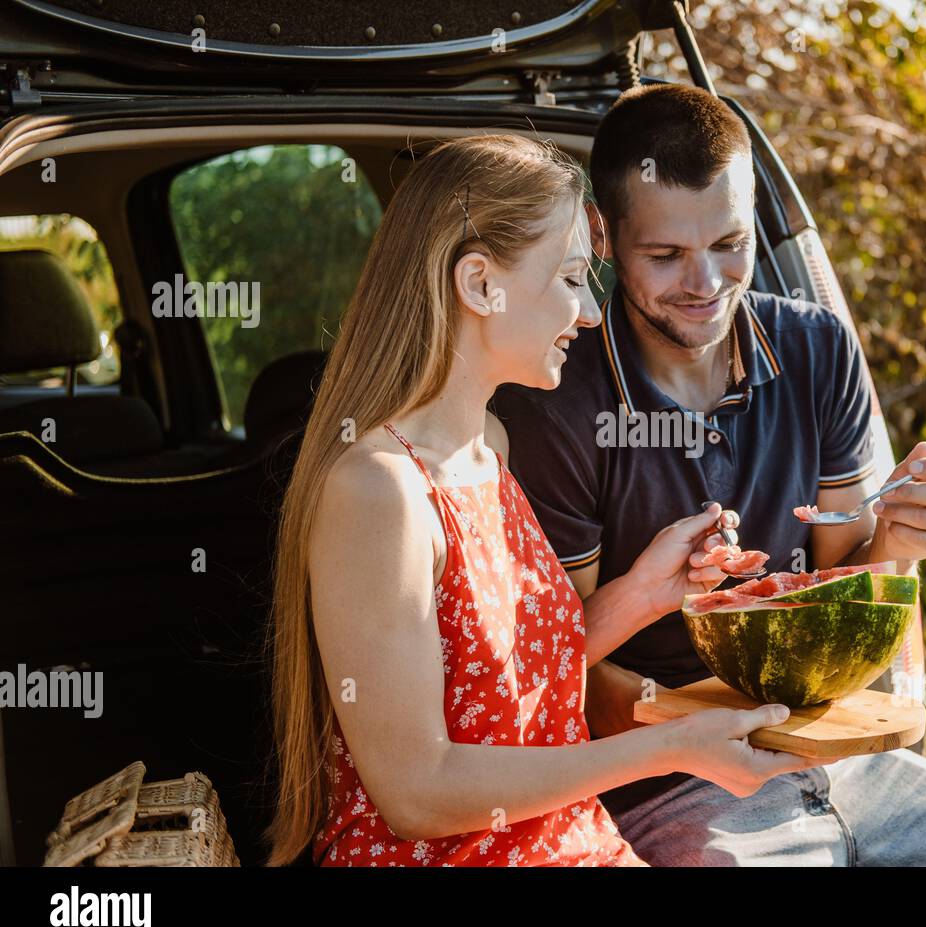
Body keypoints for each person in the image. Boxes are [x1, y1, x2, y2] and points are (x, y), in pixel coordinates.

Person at [491, 85, 926, 866]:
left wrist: (900, 544)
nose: (707, 284)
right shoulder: (554, 403)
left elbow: (852, 581)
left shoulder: (818, 348)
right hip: (673, 784)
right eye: (667, 255)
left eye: (730, 244)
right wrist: (697, 735)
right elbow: (562, 672)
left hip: (856, 762)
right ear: (604, 237)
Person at [262, 133, 836, 867]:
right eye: (570, 279)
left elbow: (504, 683)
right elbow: (416, 792)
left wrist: (640, 594)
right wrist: (667, 749)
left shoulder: (489, 447)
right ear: (478, 285)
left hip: (569, 844)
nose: (592, 313)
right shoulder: (380, 492)